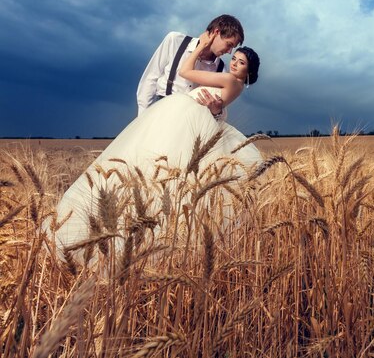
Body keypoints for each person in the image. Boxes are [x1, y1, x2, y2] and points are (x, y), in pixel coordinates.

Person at [49, 33, 262, 266]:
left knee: (161, 176)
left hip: (185, 122)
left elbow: (188, 75)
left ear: (248, 72)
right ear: (216, 33)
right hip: (173, 118)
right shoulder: (178, 42)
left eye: (240, 61)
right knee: (151, 173)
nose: (232, 60)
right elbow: (152, 79)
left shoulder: (229, 79)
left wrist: (199, 54)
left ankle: (137, 238)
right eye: (233, 53)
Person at [136, 14, 244, 117]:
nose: (230, 52)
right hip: (160, 109)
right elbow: (150, 79)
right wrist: (142, 118)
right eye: (229, 44)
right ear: (216, 32)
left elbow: (219, 108)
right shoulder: (175, 40)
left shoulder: (221, 68)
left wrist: (216, 111)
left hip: (189, 121)